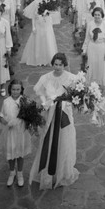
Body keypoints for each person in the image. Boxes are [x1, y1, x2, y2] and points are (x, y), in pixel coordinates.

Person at [29, 53, 79, 190]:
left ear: (64, 65)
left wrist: (67, 104)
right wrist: (45, 102)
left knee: (64, 140)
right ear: (53, 64)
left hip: (64, 115)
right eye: (55, 64)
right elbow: (39, 92)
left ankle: (62, 172)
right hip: (50, 114)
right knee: (48, 139)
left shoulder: (71, 78)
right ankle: (47, 173)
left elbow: (75, 96)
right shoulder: (46, 78)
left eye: (60, 65)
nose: (57, 67)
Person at [0, 79, 32, 187]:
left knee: (20, 153)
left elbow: (29, 117)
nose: (15, 92)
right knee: (11, 153)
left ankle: (20, 173)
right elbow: (1, 116)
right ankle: (12, 172)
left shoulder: (25, 101)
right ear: (10, 89)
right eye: (13, 89)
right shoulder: (6, 102)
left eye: (18, 89)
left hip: (21, 132)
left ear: (21, 90)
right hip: (10, 132)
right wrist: (6, 122)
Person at [20, 0, 58, 67]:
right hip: (38, 23)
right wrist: (33, 27)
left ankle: (48, 58)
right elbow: (34, 15)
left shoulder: (49, 1)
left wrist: (48, 11)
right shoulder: (36, 2)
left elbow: (54, 11)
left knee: (47, 39)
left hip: (47, 23)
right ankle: (38, 59)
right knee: (38, 40)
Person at [82, 7, 105, 87]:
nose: (97, 16)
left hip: (101, 47)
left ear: (102, 15)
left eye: (98, 15)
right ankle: (91, 81)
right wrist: (84, 49)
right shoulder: (90, 24)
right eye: (95, 15)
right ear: (93, 15)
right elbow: (87, 37)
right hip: (92, 47)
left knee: (100, 65)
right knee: (91, 64)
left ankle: (100, 82)